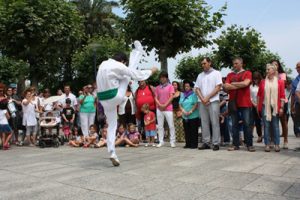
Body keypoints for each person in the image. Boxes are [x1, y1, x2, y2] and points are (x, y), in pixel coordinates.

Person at [96, 51, 157, 166]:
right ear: (123, 61)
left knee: (112, 125)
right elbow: (136, 74)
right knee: (128, 75)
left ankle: (112, 152)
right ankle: (137, 52)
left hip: (103, 100)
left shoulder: (103, 64)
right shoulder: (119, 65)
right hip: (114, 96)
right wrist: (151, 71)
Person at [223, 57, 255, 152]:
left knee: (247, 124)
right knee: (234, 124)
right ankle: (235, 144)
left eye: (236, 63)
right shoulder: (230, 74)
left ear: (241, 63)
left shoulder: (247, 73)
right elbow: (226, 86)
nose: (234, 65)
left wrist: (233, 84)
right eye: (233, 64)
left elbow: (246, 84)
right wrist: (239, 85)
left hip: (245, 102)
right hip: (233, 102)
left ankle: (249, 144)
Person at [257, 63, 285, 152]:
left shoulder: (279, 82)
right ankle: (267, 144)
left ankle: (277, 144)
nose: (267, 71)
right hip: (265, 106)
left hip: (275, 107)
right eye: (267, 69)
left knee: (275, 126)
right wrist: (258, 107)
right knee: (266, 126)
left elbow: (282, 96)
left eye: (269, 69)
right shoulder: (263, 82)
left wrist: (281, 108)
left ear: (273, 71)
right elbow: (259, 95)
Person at [195, 57, 222, 151]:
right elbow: (197, 88)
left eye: (204, 63)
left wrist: (207, 97)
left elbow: (218, 87)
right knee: (204, 122)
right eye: (202, 64)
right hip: (202, 102)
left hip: (213, 100)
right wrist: (202, 99)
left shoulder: (216, 73)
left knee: (215, 122)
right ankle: (206, 142)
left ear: (210, 63)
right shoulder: (200, 75)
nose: (203, 65)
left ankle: (216, 143)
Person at [155, 71, 176, 148]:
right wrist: (160, 105)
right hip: (159, 109)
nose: (162, 79)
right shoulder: (157, 87)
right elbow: (156, 98)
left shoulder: (171, 86)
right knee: (160, 126)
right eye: (161, 77)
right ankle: (161, 141)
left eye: (164, 77)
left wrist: (165, 105)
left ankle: (172, 141)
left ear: (167, 78)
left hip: (168, 108)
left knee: (171, 125)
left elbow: (171, 97)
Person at [271, 60, 288, 149]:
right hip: (272, 102)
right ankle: (273, 140)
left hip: (282, 101)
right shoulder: (269, 76)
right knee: (273, 122)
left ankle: (285, 140)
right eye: (273, 64)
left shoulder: (282, 75)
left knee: (283, 122)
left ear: (278, 66)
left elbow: (282, 85)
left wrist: (276, 75)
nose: (274, 66)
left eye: (276, 64)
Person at [179, 80, 199, 149]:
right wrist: (183, 111)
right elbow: (180, 104)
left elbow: (196, 104)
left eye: (188, 86)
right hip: (185, 116)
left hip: (193, 115)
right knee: (187, 131)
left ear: (190, 87)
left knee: (193, 131)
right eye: (185, 86)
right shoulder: (182, 94)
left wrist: (191, 111)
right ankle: (188, 144)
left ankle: (194, 144)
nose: (186, 87)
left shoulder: (193, 94)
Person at [250, 72, 263, 143]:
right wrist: (254, 104)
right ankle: (259, 135)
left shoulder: (262, 85)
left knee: (264, 122)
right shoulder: (251, 86)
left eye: (257, 79)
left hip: (262, 105)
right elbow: (250, 97)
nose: (256, 80)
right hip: (254, 106)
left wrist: (259, 105)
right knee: (256, 122)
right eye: (254, 79)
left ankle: (266, 136)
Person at [0, 85, 13, 150]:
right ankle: (5, 143)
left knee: (2, 134)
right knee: (10, 132)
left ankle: (3, 145)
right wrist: (9, 116)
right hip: (4, 123)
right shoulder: (5, 110)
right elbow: (8, 117)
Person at [291, 62, 300, 137]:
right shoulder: (294, 81)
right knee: (296, 117)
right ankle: (297, 132)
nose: (298, 69)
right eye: (297, 67)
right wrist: (292, 106)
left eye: (299, 67)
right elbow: (293, 94)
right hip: (297, 102)